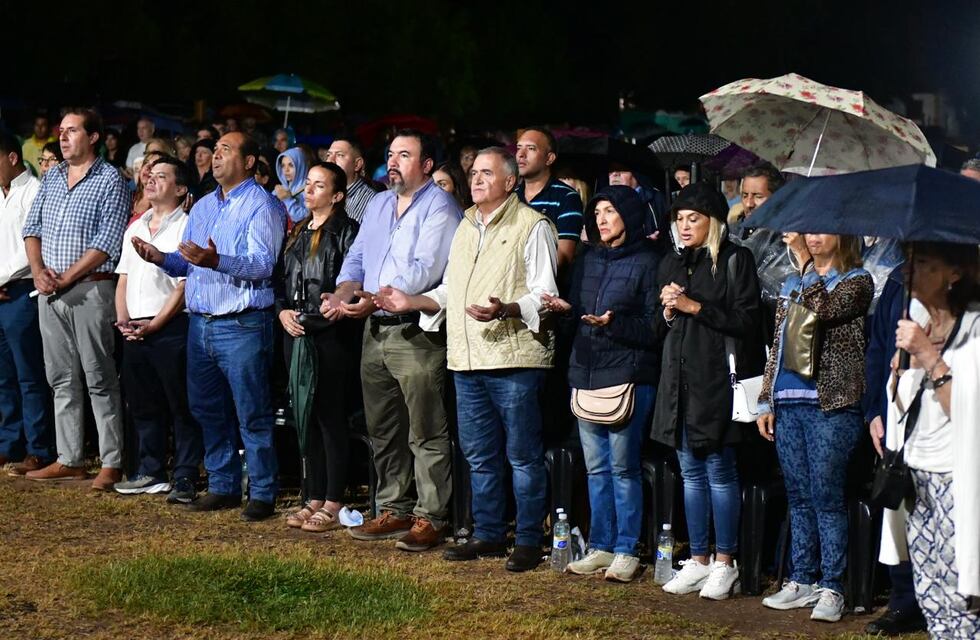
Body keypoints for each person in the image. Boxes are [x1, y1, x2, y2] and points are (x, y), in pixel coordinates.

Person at [373, 147, 557, 571]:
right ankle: (489, 533)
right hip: (467, 360)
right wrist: (411, 300)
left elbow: (546, 298)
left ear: (510, 183)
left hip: (514, 360)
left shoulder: (533, 226)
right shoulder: (465, 226)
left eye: (486, 174)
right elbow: (449, 292)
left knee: (523, 457)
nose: (475, 180)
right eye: (473, 173)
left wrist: (506, 309)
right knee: (479, 456)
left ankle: (529, 539)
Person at [131, 132, 286, 522]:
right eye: (214, 152)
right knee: (206, 409)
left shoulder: (261, 205)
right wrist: (162, 258)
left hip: (243, 324)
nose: (215, 157)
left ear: (249, 161)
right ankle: (222, 485)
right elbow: (190, 262)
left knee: (252, 412)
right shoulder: (201, 207)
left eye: (225, 151)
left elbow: (262, 265)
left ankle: (263, 491)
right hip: (201, 324)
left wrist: (217, 261)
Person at [322, 129, 461, 551]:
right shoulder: (380, 203)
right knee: (383, 427)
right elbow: (359, 256)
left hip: (415, 331)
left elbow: (424, 269)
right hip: (375, 329)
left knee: (425, 429)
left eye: (405, 155)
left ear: (427, 165)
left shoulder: (441, 207)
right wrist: (344, 290)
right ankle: (394, 507)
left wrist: (373, 298)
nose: (394, 161)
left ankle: (431, 515)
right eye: (390, 154)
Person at [652, 182, 765, 600]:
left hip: (716, 382)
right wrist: (666, 310)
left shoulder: (736, 260)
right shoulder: (671, 262)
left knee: (719, 473)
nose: (683, 226)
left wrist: (693, 306)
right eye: (678, 219)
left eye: (693, 219)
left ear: (712, 222)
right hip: (677, 383)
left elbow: (747, 321)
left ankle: (725, 561)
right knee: (690, 474)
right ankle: (698, 558)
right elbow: (656, 329)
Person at [542, 186, 661, 582]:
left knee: (623, 468)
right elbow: (578, 310)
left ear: (629, 214)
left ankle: (627, 549)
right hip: (585, 371)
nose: (602, 219)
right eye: (598, 212)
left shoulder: (649, 261)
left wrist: (615, 324)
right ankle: (602, 544)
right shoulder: (588, 259)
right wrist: (565, 311)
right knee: (595, 469)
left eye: (611, 211)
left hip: (628, 374)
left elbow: (654, 326)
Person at [757, 234, 873, 622]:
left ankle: (832, 586)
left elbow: (823, 310)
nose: (813, 237)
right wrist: (765, 399)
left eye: (822, 230)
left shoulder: (857, 281)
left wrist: (807, 265)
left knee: (827, 496)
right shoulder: (791, 283)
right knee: (799, 495)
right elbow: (778, 343)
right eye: (808, 231)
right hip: (789, 402)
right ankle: (802, 578)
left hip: (832, 405)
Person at [21, 108, 129, 490]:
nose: (63, 138)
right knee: (61, 378)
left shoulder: (111, 180)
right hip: (48, 291)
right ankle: (69, 458)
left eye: (72, 131)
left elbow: (107, 240)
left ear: (94, 137)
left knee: (99, 376)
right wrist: (38, 271)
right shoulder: (50, 179)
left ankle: (112, 461)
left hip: (90, 290)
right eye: (61, 131)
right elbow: (31, 228)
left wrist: (66, 276)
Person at [880, 242, 980, 639]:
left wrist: (927, 355)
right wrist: (899, 373)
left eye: (922, 263)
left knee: (962, 594)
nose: (909, 271)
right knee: (930, 591)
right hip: (916, 471)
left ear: (954, 274)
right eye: (909, 262)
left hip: (958, 474)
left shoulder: (974, 329)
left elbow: (967, 409)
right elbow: (902, 404)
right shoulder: (916, 316)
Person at [276, 162, 360, 532]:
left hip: (329, 336)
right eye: (307, 184)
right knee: (304, 415)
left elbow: (352, 281)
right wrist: (282, 313)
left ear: (337, 195)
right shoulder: (296, 231)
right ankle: (311, 495)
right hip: (294, 334)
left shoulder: (346, 232)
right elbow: (281, 281)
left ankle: (333, 498)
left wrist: (321, 317)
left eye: (319, 185)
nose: (308, 190)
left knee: (329, 416)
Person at [113, 156, 203, 502]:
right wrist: (123, 321)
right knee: (143, 403)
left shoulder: (187, 226)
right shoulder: (135, 226)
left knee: (180, 404)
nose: (150, 181)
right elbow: (123, 278)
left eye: (161, 176)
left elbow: (183, 286)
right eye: (149, 176)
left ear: (180, 189)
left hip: (170, 326)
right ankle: (151, 470)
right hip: (134, 328)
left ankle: (184, 475)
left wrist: (155, 324)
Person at [864, 271, 928, 636]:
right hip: (897, 408)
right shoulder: (898, 281)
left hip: (946, 410)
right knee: (899, 503)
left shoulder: (966, 283)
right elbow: (877, 348)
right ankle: (904, 600)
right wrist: (874, 409)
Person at [0, 132, 54, 473]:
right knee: (3, 375)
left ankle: (40, 448)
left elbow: (32, 247)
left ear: (12, 158)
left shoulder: (34, 191)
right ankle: (9, 443)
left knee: (28, 373)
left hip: (21, 290)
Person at [514, 126, 583, 272]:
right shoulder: (510, 197)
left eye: (531, 148)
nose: (521, 154)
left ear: (549, 158)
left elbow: (564, 256)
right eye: (519, 148)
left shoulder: (567, 197)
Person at [322, 137, 383, 224]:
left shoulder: (370, 202)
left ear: (357, 164)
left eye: (340, 155)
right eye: (328, 155)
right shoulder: (325, 193)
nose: (331, 161)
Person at [274, 147, 310, 223]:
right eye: (283, 165)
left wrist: (287, 199)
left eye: (291, 165)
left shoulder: (309, 190)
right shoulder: (280, 189)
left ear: (300, 166)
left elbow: (303, 217)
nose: (286, 170)